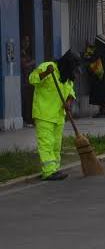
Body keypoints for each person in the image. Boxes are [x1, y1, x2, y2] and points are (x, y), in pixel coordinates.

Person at [28, 50, 81, 181]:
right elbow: (32, 79)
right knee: (46, 143)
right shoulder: (47, 67)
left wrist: (69, 101)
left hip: (58, 115)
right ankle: (48, 171)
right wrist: (46, 73)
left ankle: (55, 169)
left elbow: (71, 92)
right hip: (44, 114)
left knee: (56, 144)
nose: (74, 73)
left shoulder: (67, 76)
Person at [84, 34, 105, 117]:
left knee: (101, 95)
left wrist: (88, 48)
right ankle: (104, 111)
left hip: (100, 77)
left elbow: (90, 57)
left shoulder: (99, 50)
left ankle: (103, 112)